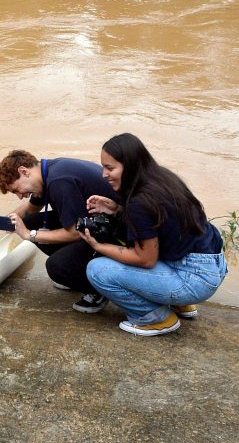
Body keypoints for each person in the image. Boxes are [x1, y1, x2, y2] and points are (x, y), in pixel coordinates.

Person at [80, 133, 228, 337]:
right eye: (103, 167)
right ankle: (180, 304)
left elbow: (145, 259)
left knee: (97, 270)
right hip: (212, 265)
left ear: (130, 165)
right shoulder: (163, 177)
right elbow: (162, 224)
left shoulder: (139, 202)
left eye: (110, 168)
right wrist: (117, 209)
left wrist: (98, 246)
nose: (104, 174)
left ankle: (156, 318)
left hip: (193, 279)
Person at [0, 150, 120, 313]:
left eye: (17, 189)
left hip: (118, 233)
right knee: (31, 222)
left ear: (24, 172)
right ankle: (77, 272)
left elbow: (74, 232)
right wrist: (4, 222)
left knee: (56, 267)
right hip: (97, 222)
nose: (19, 196)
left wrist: (29, 235)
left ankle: (98, 290)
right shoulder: (46, 172)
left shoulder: (59, 181)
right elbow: (30, 209)